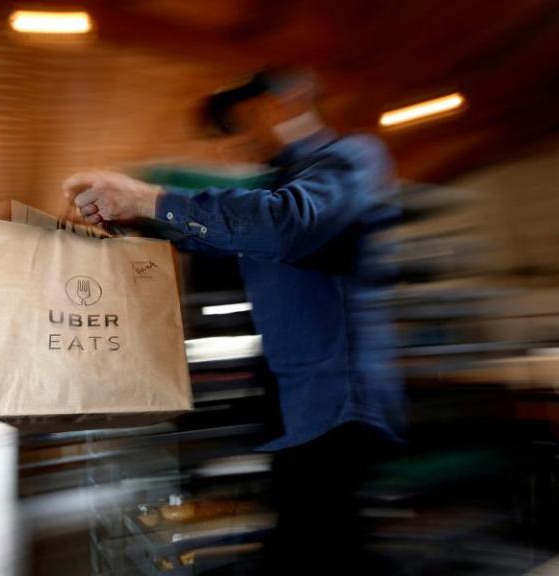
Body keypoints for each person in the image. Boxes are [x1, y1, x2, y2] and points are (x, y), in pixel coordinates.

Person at [63, 68, 404, 573]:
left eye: (238, 126)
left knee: (323, 551)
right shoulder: (273, 191)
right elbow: (221, 240)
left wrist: (148, 198)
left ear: (284, 105)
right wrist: (140, 219)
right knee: (313, 550)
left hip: (337, 412)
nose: (231, 146)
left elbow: (286, 224)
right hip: (296, 414)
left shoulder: (347, 160)